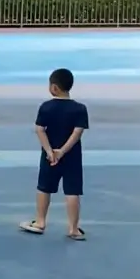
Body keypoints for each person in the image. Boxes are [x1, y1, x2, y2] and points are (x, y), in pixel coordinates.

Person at [21, 68, 88, 240]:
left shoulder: (46, 107)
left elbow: (39, 130)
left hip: (50, 157)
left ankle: (40, 222)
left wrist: (50, 151)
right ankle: (73, 228)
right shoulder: (80, 109)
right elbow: (77, 132)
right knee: (72, 191)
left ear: (54, 88)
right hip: (72, 156)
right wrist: (63, 151)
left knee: (44, 187)